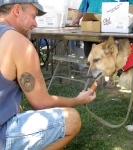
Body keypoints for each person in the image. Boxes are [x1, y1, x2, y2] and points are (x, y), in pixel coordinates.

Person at [0, 0, 96, 150]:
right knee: (71, 119)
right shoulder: (19, 43)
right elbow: (41, 103)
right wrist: (78, 99)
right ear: (17, 10)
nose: (36, 24)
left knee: (17, 108)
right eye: (33, 16)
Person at [72, 0, 133, 88]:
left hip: (112, 23)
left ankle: (112, 77)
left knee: (112, 54)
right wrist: (77, 19)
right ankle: (100, 76)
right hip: (92, 23)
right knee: (92, 53)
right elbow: (83, 4)